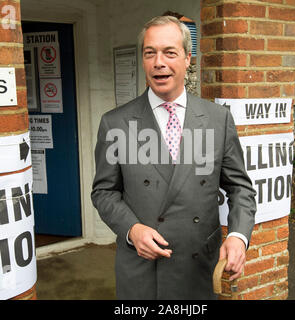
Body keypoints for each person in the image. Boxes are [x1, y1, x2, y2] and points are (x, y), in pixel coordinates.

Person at [91, 15, 256, 300]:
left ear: (188, 58)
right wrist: (131, 229)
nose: (159, 62)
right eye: (150, 53)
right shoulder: (114, 123)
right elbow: (104, 192)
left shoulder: (219, 120)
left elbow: (240, 188)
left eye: (170, 52)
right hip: (141, 273)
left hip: (198, 270)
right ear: (143, 60)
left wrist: (239, 237)